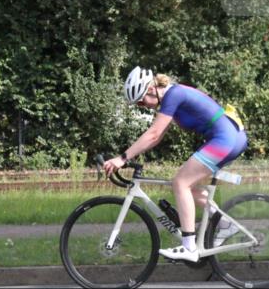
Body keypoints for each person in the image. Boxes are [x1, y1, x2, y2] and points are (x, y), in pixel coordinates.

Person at [102, 66, 247, 262]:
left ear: (151, 89)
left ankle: (189, 247)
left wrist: (122, 158)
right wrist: (129, 156)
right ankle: (224, 223)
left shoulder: (174, 95)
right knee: (183, 185)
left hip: (224, 139)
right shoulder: (172, 97)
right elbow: (157, 136)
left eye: (141, 102)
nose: (143, 106)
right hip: (231, 137)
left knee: (180, 183)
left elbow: (153, 134)